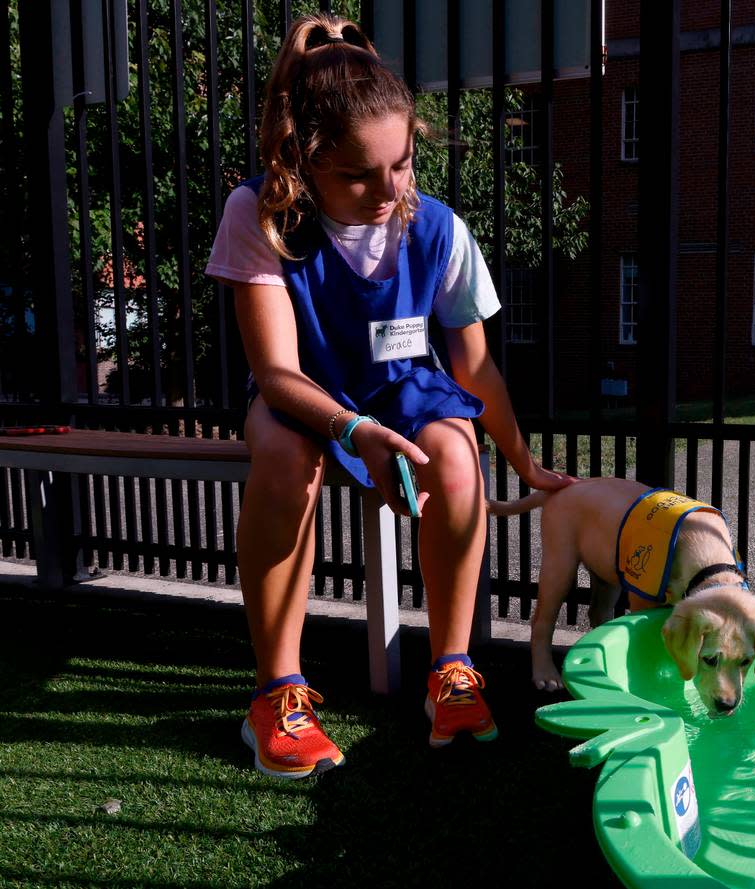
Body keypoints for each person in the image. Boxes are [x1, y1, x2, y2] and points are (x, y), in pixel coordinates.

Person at [206, 13, 573, 778]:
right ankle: (277, 692)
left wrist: (525, 461)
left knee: (458, 454)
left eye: (402, 165)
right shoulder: (259, 214)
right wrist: (353, 429)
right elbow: (276, 375)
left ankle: (452, 670)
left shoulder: (438, 228)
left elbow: (472, 370)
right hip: (308, 395)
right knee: (284, 459)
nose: (388, 190)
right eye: (357, 174)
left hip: (407, 390)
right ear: (305, 160)